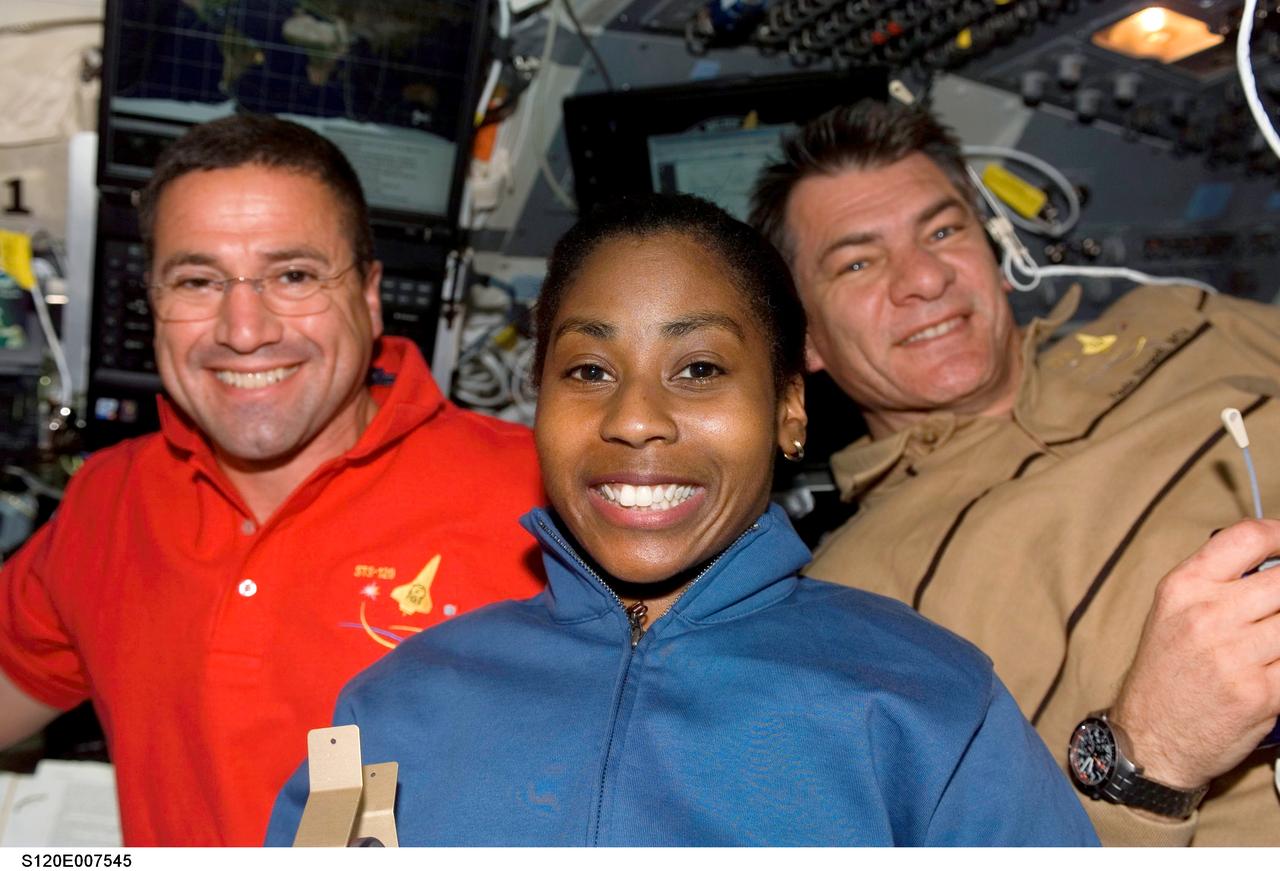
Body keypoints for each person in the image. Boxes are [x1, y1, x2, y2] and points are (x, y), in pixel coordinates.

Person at [265, 193, 1099, 847]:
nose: (634, 418)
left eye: (698, 368)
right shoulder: (393, 705)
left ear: (788, 408)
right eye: (589, 370)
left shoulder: (931, 702)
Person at [0, 115, 545, 846]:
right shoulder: (108, 498)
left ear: (371, 295)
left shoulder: (542, 499)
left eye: (294, 276)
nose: (245, 330)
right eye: (197, 280)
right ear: (154, 303)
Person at [748, 98, 1280, 846]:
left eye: (943, 231)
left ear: (994, 252)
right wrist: (1149, 757)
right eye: (859, 262)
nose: (924, 277)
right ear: (804, 340)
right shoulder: (848, 605)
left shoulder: (1176, 315)